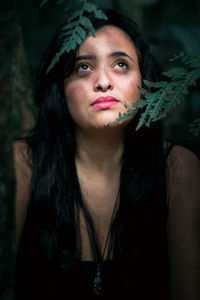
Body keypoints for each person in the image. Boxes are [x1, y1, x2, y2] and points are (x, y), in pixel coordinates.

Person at [14, 8, 200, 300]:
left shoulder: (177, 168)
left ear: (146, 84)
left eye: (121, 65)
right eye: (83, 67)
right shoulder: (24, 164)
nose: (103, 82)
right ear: (60, 89)